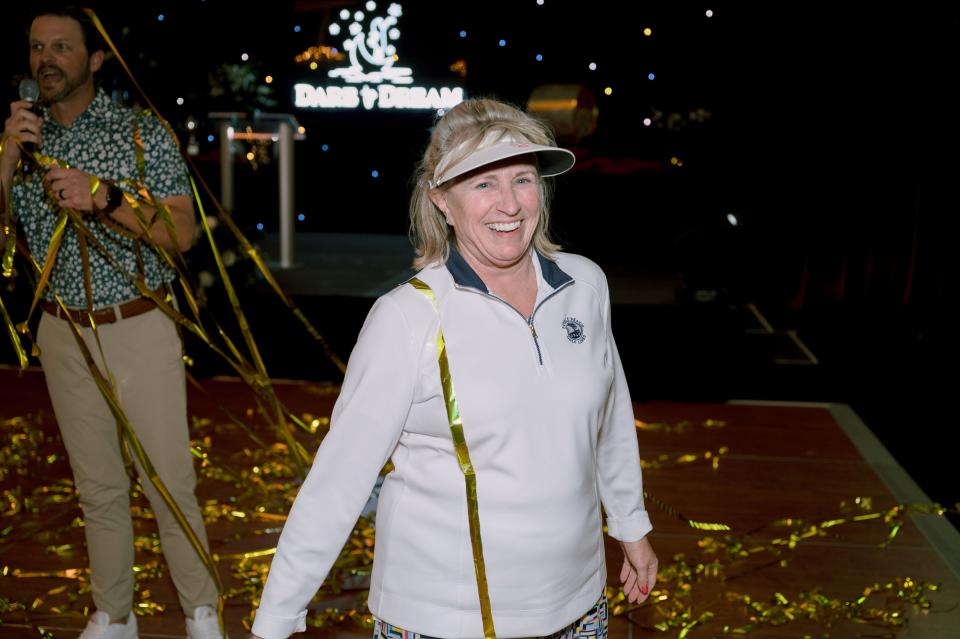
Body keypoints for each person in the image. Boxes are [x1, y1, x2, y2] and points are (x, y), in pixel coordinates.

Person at [250, 97, 658, 639]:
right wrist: (274, 621)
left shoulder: (585, 285)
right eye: (483, 184)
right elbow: (336, 483)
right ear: (442, 200)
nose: (508, 204)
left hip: (578, 606)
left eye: (522, 179)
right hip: (444, 619)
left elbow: (608, 419)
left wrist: (631, 526)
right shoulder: (407, 317)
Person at [0, 4, 223, 639]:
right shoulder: (19, 138)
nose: (46, 58)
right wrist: (7, 162)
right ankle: (113, 614)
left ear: (94, 60)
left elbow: (181, 233)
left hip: (136, 325)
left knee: (167, 483)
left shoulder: (139, 133)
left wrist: (108, 200)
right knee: (96, 486)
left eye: (62, 47)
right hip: (59, 331)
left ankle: (201, 614)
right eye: (38, 47)